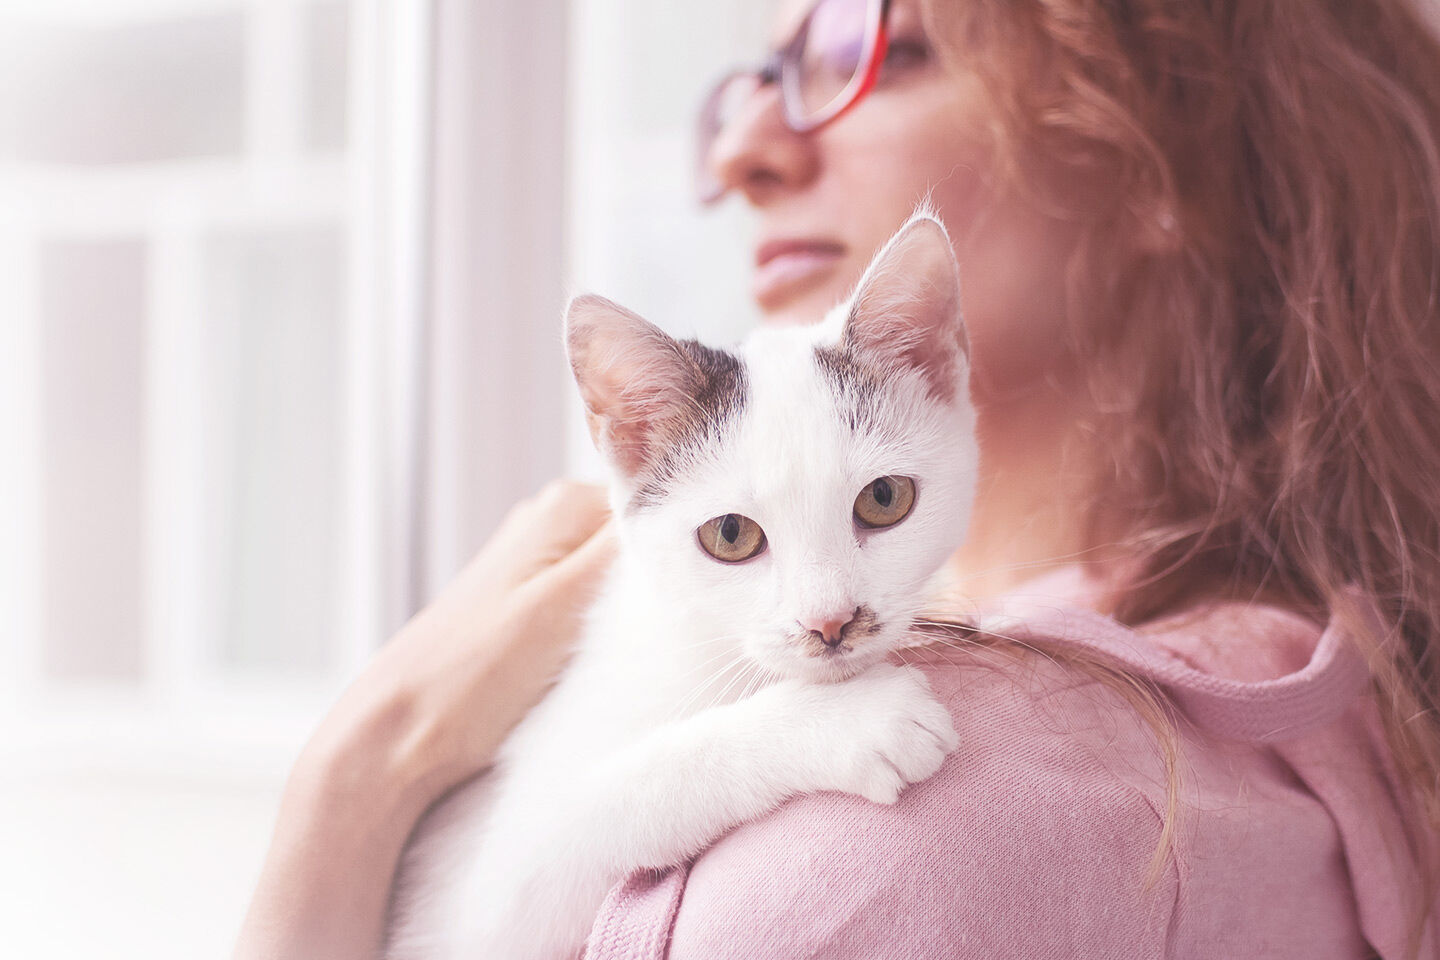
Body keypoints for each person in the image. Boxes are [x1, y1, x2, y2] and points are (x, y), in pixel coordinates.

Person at [233, 0, 1440, 957]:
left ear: (1168, 146)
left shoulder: (914, 838)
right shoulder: (1329, 696)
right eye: (745, 87)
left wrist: (349, 796)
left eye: (872, 47)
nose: (744, 152)